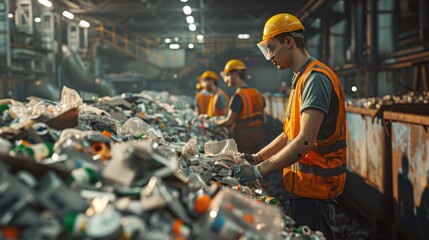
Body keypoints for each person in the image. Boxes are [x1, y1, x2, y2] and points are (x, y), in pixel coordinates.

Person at [231, 13, 347, 240]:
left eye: (271, 48)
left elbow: (305, 141)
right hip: (304, 187)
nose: (269, 57)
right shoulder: (300, 79)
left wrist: (257, 171)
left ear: (288, 42)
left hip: (315, 188)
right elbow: (289, 134)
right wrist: (256, 157)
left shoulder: (316, 79)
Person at [217, 59, 265, 154]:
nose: (226, 80)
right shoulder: (257, 92)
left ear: (235, 74)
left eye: (227, 75)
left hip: (244, 142)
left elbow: (229, 121)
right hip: (258, 139)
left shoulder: (238, 96)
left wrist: (216, 124)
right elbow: (263, 118)